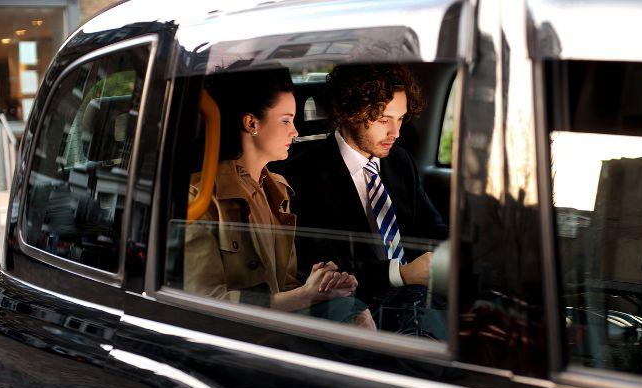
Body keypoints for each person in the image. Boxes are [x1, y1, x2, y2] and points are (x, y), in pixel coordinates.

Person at [184, 68, 375, 330]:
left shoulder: (276, 190)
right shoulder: (201, 199)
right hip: (236, 339)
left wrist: (320, 285)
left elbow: (284, 284)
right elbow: (205, 304)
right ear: (251, 124)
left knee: (358, 313)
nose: (295, 132)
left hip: (275, 328)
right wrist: (302, 295)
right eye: (286, 121)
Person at [283, 64, 448, 335]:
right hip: (360, 312)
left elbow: (432, 229)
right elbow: (323, 272)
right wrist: (401, 274)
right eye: (384, 120)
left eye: (401, 119)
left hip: (419, 302)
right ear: (350, 113)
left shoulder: (400, 161)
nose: (396, 132)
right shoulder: (302, 177)